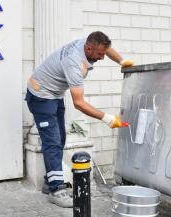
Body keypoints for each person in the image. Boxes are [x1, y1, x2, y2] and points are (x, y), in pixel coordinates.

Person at [25, 31, 133, 208]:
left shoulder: (88, 42)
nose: (102, 58)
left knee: (60, 138)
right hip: (41, 95)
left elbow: (107, 49)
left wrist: (121, 61)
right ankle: (56, 190)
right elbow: (79, 103)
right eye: (99, 55)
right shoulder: (74, 63)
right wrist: (108, 119)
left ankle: (49, 181)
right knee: (52, 141)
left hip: (54, 94)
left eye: (103, 54)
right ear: (89, 48)